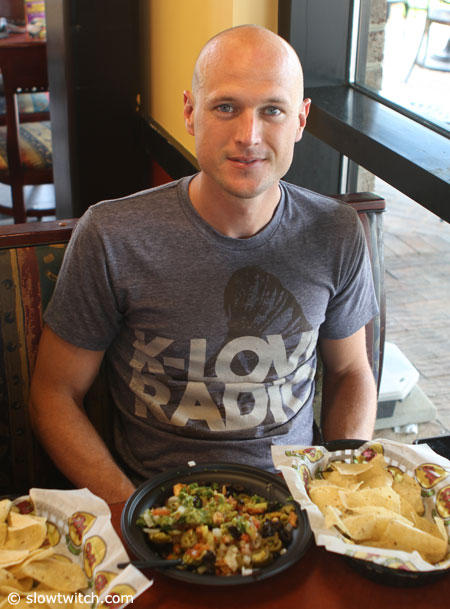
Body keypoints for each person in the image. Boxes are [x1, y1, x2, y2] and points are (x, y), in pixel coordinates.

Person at [29, 25, 378, 503]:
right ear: (191, 112)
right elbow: (54, 393)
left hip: (299, 504)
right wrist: (127, 509)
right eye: (226, 107)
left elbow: (351, 372)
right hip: (157, 506)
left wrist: (340, 489)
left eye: (272, 110)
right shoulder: (112, 235)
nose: (249, 136)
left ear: (300, 120)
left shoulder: (335, 231)